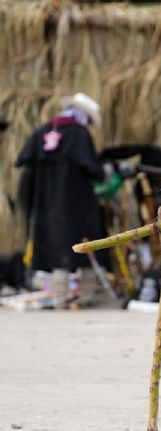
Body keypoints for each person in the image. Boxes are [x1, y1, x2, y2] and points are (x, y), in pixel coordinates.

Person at [15, 93, 108, 308]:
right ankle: (84, 294)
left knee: (55, 244)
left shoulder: (41, 132)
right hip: (78, 204)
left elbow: (24, 163)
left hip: (46, 205)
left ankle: (59, 297)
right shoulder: (79, 135)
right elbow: (94, 171)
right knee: (85, 242)